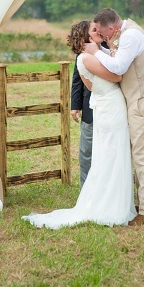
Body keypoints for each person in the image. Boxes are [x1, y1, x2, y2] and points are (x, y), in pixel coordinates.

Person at [23, 22, 136, 229]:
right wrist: (112, 53)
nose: (99, 32)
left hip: (109, 105)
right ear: (86, 38)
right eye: (94, 31)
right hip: (109, 108)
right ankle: (107, 204)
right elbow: (117, 76)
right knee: (110, 154)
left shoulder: (92, 56)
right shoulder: (86, 58)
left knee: (113, 154)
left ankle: (115, 200)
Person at [84, 8, 144, 226]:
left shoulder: (131, 36)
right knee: (139, 154)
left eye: (103, 32)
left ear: (112, 28)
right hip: (137, 101)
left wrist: (95, 51)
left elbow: (118, 67)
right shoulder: (126, 34)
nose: (104, 37)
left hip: (143, 101)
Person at [67, 20, 99, 188]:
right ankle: (86, 188)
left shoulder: (109, 49)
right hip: (89, 107)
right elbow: (77, 80)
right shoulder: (81, 56)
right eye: (94, 29)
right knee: (87, 150)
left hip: (110, 105)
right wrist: (75, 105)